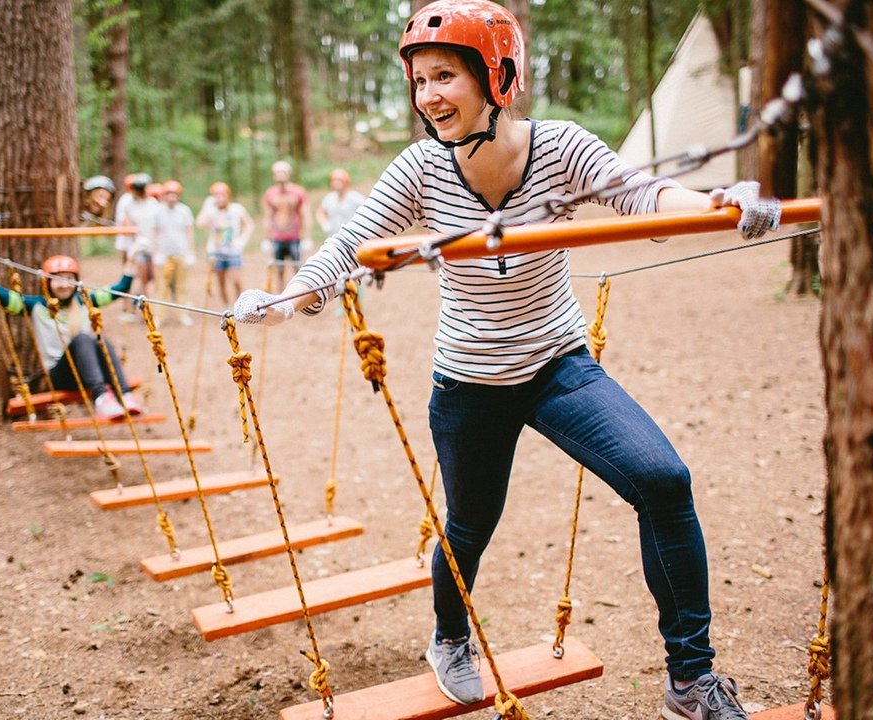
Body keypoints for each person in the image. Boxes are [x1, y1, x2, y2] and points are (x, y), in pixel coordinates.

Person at [233, 2, 781, 719]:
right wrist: (286, 300)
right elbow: (350, 245)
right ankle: (449, 638)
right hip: (467, 383)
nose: (429, 96)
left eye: (445, 76)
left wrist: (718, 201)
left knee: (664, 482)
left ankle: (691, 678)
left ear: (497, 77)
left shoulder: (560, 148)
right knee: (468, 526)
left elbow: (644, 194)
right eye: (419, 80)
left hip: (558, 366)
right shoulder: (421, 168)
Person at [0, 237, 145, 421]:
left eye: (69, 279)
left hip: (89, 372)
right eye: (58, 279)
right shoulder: (36, 306)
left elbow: (120, 288)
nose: (64, 285)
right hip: (61, 375)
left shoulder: (85, 302)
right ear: (47, 282)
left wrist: (133, 256)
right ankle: (101, 399)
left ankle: (125, 396)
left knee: (100, 339)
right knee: (82, 339)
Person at [196, 181, 254, 307]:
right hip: (216, 252)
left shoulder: (237, 209)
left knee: (236, 280)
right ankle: (227, 308)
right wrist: (206, 206)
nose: (220, 198)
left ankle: (241, 306)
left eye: (222, 195)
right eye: (216, 196)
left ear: (228, 195)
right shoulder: (211, 211)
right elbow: (200, 223)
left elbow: (249, 224)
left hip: (233, 251)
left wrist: (242, 240)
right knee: (221, 282)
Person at [152, 179, 197, 326]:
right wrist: (155, 253)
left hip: (181, 254)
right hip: (164, 255)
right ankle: (159, 316)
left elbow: (189, 232)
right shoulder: (158, 211)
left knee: (181, 286)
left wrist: (190, 253)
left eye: (174, 194)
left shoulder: (184, 211)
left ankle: (183, 315)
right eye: (169, 194)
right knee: (162, 287)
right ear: (164, 195)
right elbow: (155, 232)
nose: (172, 197)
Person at [116, 173, 160, 319]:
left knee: (152, 277)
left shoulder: (153, 203)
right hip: (137, 246)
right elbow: (127, 224)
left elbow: (157, 224)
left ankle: (144, 305)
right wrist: (138, 241)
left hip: (152, 246)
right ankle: (141, 310)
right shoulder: (129, 204)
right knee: (141, 277)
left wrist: (155, 244)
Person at [261, 160, 310, 286]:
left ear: (288, 174)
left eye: (282, 172)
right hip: (277, 238)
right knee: (279, 269)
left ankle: (300, 292)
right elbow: (268, 217)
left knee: (297, 268)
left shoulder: (298, 192)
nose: (280, 175)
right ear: (273, 175)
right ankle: (281, 293)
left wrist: (306, 237)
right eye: (277, 172)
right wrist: (266, 238)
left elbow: (305, 215)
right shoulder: (270, 194)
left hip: (295, 237)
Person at [315, 168, 365, 239]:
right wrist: (324, 223)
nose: (336, 182)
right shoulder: (329, 198)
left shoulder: (356, 198)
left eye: (339, 180)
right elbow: (320, 212)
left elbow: (366, 212)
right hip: (333, 237)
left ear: (346, 182)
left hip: (352, 237)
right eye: (334, 180)